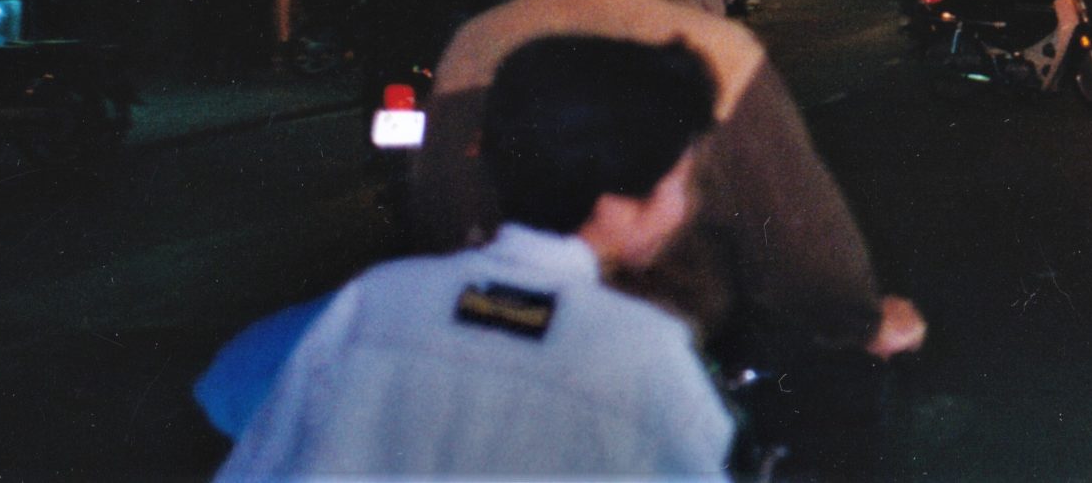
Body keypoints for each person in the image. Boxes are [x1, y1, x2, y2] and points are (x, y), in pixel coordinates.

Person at [414, 0, 925, 366]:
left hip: (480, 344)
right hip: (653, 359)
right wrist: (861, 319)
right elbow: (799, 238)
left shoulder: (476, 40)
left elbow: (436, 205)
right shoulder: (713, 50)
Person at [218, 36, 737, 480]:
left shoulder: (375, 298)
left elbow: (262, 464)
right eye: (683, 179)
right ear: (615, 201)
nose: (688, 203)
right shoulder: (643, 353)